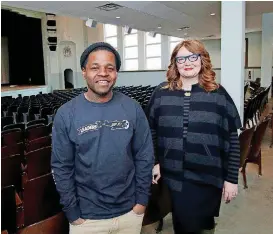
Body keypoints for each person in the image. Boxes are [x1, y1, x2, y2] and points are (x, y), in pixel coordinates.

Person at [51, 42, 154, 234]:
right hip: (87, 218)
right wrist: (73, 213)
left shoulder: (133, 108)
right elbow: (61, 167)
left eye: (110, 68)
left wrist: (141, 202)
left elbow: (144, 157)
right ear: (84, 71)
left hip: (129, 213)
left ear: (116, 72)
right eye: (95, 68)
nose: (103, 73)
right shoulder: (66, 114)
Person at [146, 39, 242, 234]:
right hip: (175, 177)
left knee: (204, 223)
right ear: (174, 63)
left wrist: (231, 178)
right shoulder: (162, 93)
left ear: (202, 59)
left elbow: (232, 138)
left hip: (208, 176)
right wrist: (155, 161)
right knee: (185, 224)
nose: (187, 62)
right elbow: (151, 132)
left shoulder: (217, 94)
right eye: (181, 58)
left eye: (192, 56)